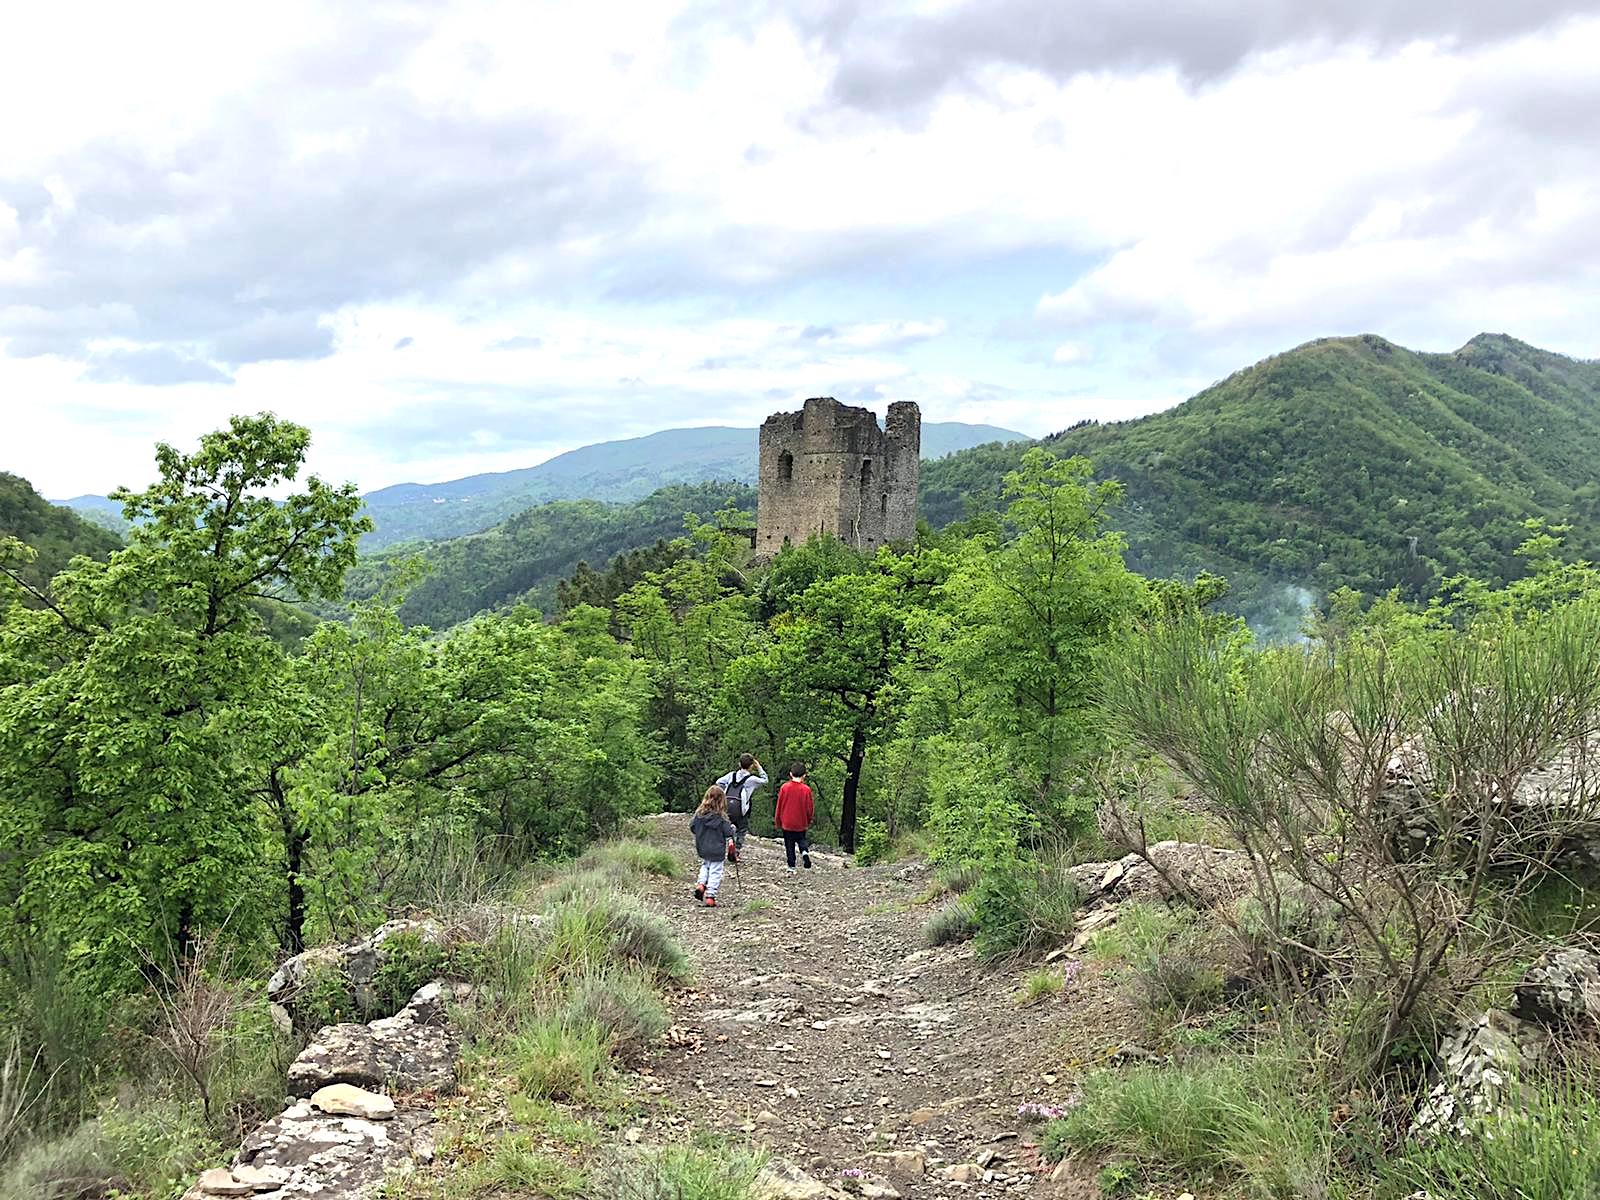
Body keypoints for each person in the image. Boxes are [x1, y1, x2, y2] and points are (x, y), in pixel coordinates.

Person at [689, 784, 737, 907]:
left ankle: (701, 885)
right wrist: (733, 829)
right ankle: (710, 896)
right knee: (715, 871)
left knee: (705, 866)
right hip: (717, 849)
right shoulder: (721, 818)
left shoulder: (699, 815)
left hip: (703, 847)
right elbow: (728, 833)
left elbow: (692, 827)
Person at [715, 753, 768, 859]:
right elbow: (765, 780)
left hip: (727, 807)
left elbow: (718, 782)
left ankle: (729, 840)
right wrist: (759, 767)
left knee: (727, 825)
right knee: (742, 830)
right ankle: (736, 851)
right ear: (751, 766)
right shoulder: (751, 779)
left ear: (739, 764)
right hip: (741, 810)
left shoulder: (731, 775)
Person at [774, 762, 814, 874]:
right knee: (801, 839)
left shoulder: (784, 788)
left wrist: (778, 821)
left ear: (791, 774)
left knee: (789, 844)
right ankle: (804, 852)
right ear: (804, 775)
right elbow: (809, 808)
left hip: (787, 821)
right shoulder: (806, 790)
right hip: (801, 821)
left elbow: (779, 805)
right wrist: (809, 819)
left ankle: (791, 866)